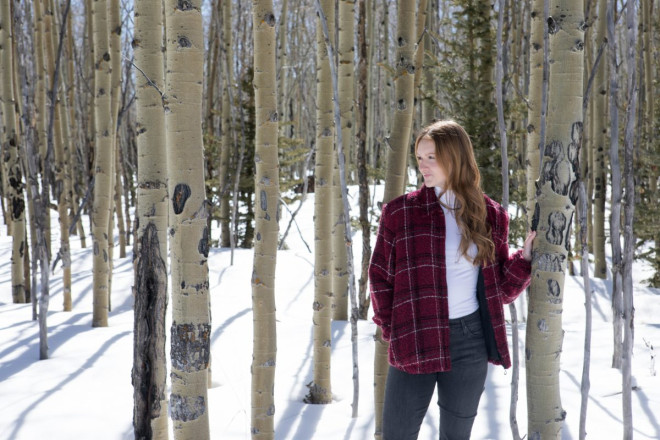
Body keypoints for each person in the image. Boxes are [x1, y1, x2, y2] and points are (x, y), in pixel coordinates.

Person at [369, 120, 536, 440]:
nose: (423, 166)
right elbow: (379, 276)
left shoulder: (490, 214)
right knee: (397, 434)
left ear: (455, 157)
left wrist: (524, 260)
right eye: (419, 158)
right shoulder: (399, 213)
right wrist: (395, 327)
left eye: (431, 157)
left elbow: (498, 289)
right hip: (414, 334)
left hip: (469, 340)